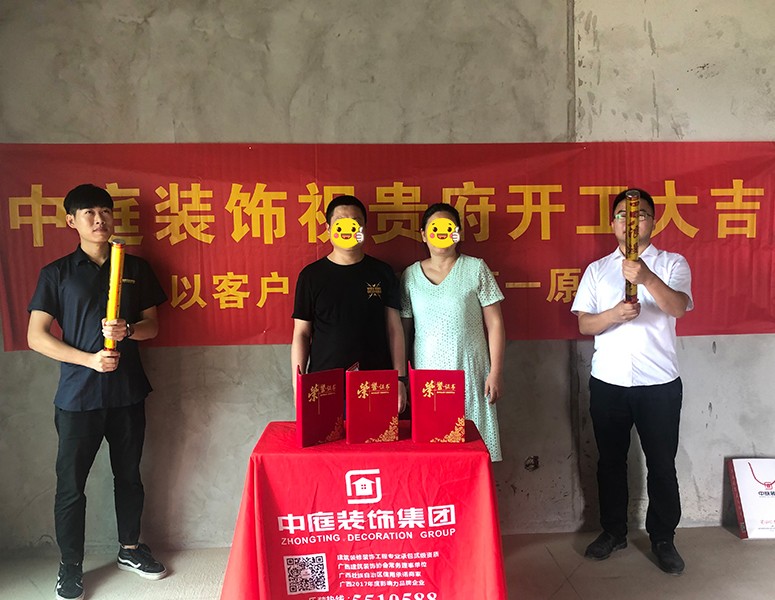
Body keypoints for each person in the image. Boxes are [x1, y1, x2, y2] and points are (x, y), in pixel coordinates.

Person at [27, 184, 168, 600]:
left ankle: (130, 549)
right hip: (78, 398)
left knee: (129, 475)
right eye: (88, 213)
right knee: (71, 486)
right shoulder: (56, 273)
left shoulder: (135, 267)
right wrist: (88, 360)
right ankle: (70, 565)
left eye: (104, 211)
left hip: (128, 392)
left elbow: (153, 326)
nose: (98, 219)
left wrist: (129, 330)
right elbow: (36, 336)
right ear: (71, 221)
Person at [571, 188, 693, 575]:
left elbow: (678, 307)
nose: (630, 221)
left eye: (638, 215)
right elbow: (584, 323)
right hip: (609, 382)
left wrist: (647, 277)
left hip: (659, 384)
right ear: (612, 223)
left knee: (662, 463)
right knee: (610, 461)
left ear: (653, 222)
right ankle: (613, 531)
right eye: (623, 215)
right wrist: (613, 315)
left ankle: (663, 538)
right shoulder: (596, 270)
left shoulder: (672, 263)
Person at [400, 203, 505, 461]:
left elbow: (495, 324)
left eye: (448, 228)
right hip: (428, 378)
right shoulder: (410, 276)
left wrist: (495, 372)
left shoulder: (476, 268)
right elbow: (403, 333)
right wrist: (404, 379)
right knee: (434, 452)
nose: (441, 234)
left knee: (473, 450)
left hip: (471, 373)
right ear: (423, 234)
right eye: (434, 228)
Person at [291, 194, 407, 411]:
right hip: (325, 385)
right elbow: (301, 334)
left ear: (364, 229)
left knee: (376, 434)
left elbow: (394, 329)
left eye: (355, 224)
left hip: (376, 383)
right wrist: (298, 385)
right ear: (328, 229)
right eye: (340, 224)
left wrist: (400, 379)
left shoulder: (382, 272)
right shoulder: (311, 276)